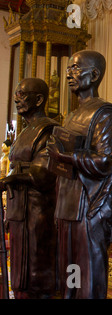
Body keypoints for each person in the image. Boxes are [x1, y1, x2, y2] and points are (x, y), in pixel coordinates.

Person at [46, 50, 112, 299]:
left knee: (88, 276)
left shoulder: (105, 114)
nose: (70, 74)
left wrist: (65, 157)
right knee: (70, 274)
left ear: (95, 75)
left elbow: (104, 161)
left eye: (77, 68)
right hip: (69, 206)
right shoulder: (71, 116)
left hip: (89, 209)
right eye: (69, 68)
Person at [0, 78, 59, 298]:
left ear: (39, 99)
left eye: (23, 94)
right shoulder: (24, 131)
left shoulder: (49, 129)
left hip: (37, 212)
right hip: (19, 210)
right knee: (18, 270)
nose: (17, 98)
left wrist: (9, 181)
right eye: (16, 93)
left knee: (35, 272)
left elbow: (43, 173)